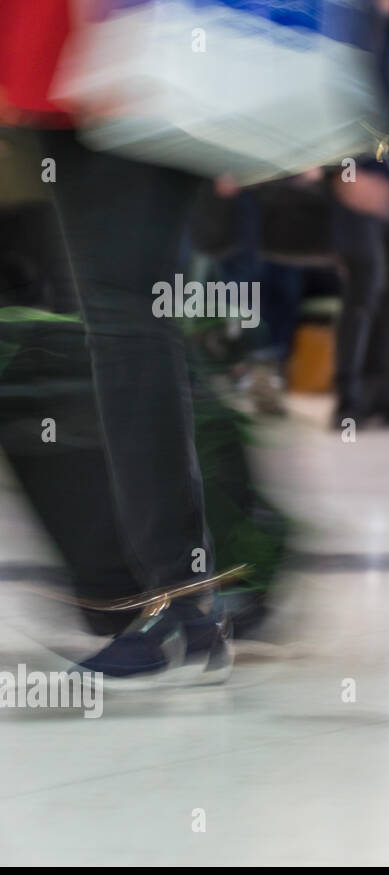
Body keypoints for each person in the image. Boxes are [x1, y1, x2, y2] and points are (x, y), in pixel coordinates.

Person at [1, 0, 232, 681]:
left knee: (124, 327)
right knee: (135, 326)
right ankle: (182, 596)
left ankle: (171, 599)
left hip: (100, 57)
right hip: (169, 54)